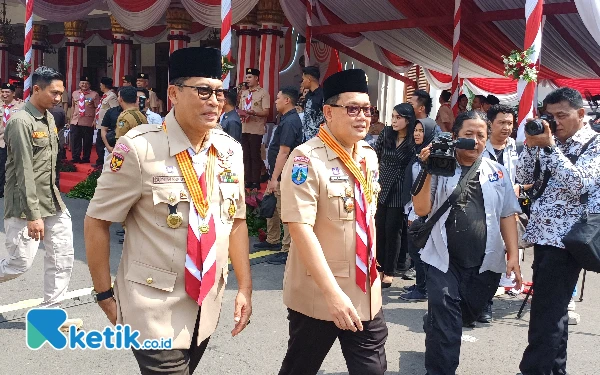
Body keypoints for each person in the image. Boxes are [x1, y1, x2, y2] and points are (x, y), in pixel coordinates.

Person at [84, 47, 253, 374]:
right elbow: (96, 222)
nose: (214, 101)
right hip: (152, 308)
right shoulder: (139, 147)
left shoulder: (229, 150)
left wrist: (244, 287)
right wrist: (104, 293)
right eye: (203, 90)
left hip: (205, 305)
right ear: (173, 93)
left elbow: (236, 223)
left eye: (219, 92)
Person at [277, 69, 387, 375]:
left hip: (365, 289)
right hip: (320, 293)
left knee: (372, 369)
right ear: (328, 112)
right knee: (301, 366)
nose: (362, 117)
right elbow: (300, 230)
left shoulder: (368, 155)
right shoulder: (306, 159)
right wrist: (332, 294)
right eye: (352, 109)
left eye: (367, 110)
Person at [412, 111, 522, 375]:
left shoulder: (498, 172)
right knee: (448, 325)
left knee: (466, 316)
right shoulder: (437, 169)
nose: (474, 142)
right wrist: (428, 168)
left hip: (486, 262)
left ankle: (434, 322)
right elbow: (421, 208)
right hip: (442, 258)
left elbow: (508, 213)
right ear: (454, 137)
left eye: (480, 136)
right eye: (468, 135)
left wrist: (513, 256)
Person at [517, 88, 600, 375]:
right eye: (549, 116)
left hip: (568, 240)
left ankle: (534, 370)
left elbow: (579, 184)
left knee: (545, 315)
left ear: (581, 114)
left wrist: (550, 148)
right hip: (544, 236)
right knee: (553, 312)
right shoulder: (549, 140)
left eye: (561, 115)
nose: (555, 122)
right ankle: (554, 370)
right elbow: (525, 177)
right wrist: (531, 144)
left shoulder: (595, 144)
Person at [0, 67, 80, 329]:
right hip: (25, 205)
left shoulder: (48, 118)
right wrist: (34, 216)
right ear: (36, 89)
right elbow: (23, 172)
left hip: (51, 199)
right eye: (54, 93)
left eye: (61, 93)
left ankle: (49, 316)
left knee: (62, 255)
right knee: (18, 264)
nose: (59, 98)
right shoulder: (20, 121)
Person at [477, 104, 526, 323]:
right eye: (501, 123)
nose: (506, 127)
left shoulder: (517, 148)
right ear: (490, 124)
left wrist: (520, 188)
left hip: (505, 211)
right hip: (480, 209)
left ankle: (485, 302)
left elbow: (528, 176)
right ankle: (476, 302)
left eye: (510, 123)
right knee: (478, 255)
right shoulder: (479, 146)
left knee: (498, 256)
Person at [258, 87, 303, 264]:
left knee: (285, 211)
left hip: (285, 172)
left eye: (278, 98)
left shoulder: (291, 122)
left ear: (287, 101)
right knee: (276, 207)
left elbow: (284, 152)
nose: (275, 101)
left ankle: (288, 249)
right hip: (278, 171)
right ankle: (273, 240)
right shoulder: (286, 119)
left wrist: (275, 178)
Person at [373, 103, 416, 287]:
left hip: (400, 185)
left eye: (398, 118)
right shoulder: (386, 133)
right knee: (379, 226)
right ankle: (378, 267)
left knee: (393, 229)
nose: (394, 121)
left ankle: (390, 270)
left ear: (408, 120)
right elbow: (376, 154)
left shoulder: (413, 138)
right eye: (393, 117)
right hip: (383, 182)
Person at [399, 117, 437, 301]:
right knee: (415, 250)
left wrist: (415, 211)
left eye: (421, 131)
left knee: (418, 251)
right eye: (415, 130)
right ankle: (420, 285)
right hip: (412, 208)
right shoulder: (417, 153)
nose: (417, 134)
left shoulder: (432, 156)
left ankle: (423, 289)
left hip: (423, 211)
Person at [238, 68, 270, 191]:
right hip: (244, 127)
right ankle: (248, 180)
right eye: (246, 77)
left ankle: (256, 181)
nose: (247, 80)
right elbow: (241, 108)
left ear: (257, 78)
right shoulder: (244, 93)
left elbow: (266, 112)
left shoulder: (263, 93)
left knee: (254, 155)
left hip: (256, 128)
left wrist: (254, 112)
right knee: (245, 154)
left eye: (250, 77)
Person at [0, 82, 25, 197]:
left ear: (13, 93)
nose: (5, 94)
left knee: (15, 166)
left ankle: (15, 189)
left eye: (7, 92)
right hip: (1, 140)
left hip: (15, 141)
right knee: (1, 165)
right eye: (3, 92)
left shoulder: (21, 106)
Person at [70, 75, 100, 163]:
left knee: (87, 141)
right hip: (76, 121)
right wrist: (71, 118)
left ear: (89, 85)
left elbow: (97, 108)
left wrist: (95, 120)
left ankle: (86, 158)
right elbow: (73, 106)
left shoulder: (94, 94)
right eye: (82, 83)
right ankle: (75, 157)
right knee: (75, 140)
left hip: (88, 121)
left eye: (86, 83)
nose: (84, 85)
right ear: (79, 84)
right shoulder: (75, 93)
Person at [94, 77, 119, 168]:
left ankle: (101, 163)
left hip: (106, 125)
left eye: (101, 85)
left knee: (101, 144)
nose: (100, 86)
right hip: (100, 123)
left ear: (104, 85)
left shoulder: (111, 96)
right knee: (99, 143)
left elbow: (114, 110)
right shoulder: (105, 95)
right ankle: (100, 161)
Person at [300, 65, 324, 142]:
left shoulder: (323, 95)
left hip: (319, 138)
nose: (302, 82)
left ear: (309, 79)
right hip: (305, 138)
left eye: (303, 79)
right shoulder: (308, 95)